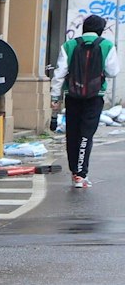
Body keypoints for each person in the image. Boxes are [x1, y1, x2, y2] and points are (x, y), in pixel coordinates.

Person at [52, 14, 122, 189]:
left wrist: (54, 97)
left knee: (72, 133)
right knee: (86, 134)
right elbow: (113, 71)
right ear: (100, 30)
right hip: (95, 96)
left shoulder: (69, 45)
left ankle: (75, 171)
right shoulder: (106, 46)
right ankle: (81, 175)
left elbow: (59, 73)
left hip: (72, 95)